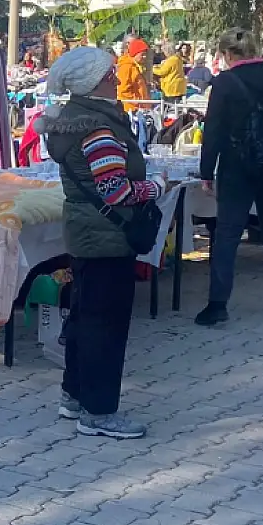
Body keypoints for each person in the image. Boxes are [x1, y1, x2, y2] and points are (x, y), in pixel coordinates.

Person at [36, 46, 166, 439]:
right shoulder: (98, 128)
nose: (119, 78)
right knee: (105, 328)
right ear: (100, 82)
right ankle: (99, 412)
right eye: (112, 74)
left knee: (84, 318)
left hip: (89, 234)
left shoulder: (77, 120)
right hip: (106, 238)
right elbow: (115, 190)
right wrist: (156, 187)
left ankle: (74, 396)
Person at [195, 27, 263, 326]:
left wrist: (206, 171)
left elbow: (213, 129)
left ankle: (217, 305)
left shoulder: (225, 82)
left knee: (227, 234)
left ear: (228, 54)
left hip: (237, 168)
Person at [114, 38, 150, 111]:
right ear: (135, 54)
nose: (145, 57)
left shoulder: (135, 66)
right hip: (131, 109)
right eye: (142, 55)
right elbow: (123, 89)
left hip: (139, 108)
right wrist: (137, 101)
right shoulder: (126, 67)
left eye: (145, 55)